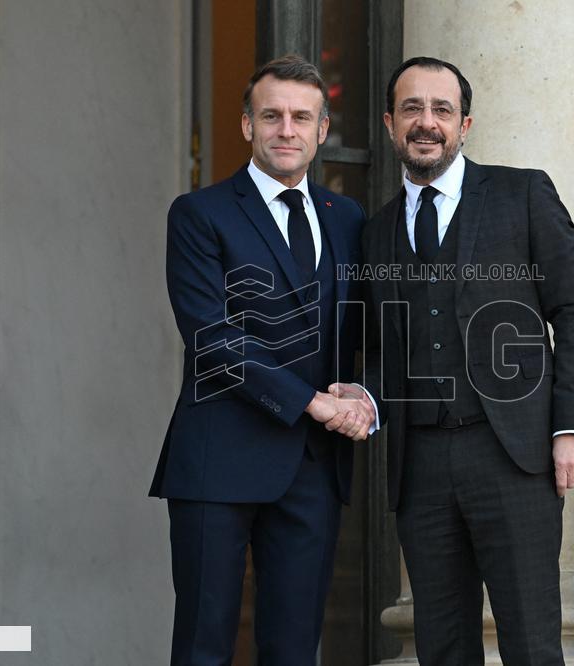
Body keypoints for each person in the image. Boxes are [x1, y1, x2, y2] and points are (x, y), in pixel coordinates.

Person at [335, 56, 574, 665]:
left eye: (441, 110)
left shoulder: (522, 192)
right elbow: (386, 350)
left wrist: (573, 426)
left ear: (466, 124)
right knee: (442, 648)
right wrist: (367, 398)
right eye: (411, 109)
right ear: (388, 123)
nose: (426, 122)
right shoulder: (375, 233)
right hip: (421, 465)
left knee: (532, 644)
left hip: (514, 456)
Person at [149, 55, 375, 666]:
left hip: (312, 465)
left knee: (296, 649)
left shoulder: (347, 218)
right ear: (247, 125)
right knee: (203, 645)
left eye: (302, 117)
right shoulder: (199, 214)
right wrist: (314, 401)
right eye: (270, 115)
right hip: (217, 456)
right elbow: (211, 337)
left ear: (322, 130)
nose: (286, 129)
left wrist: (363, 395)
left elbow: (365, 327)